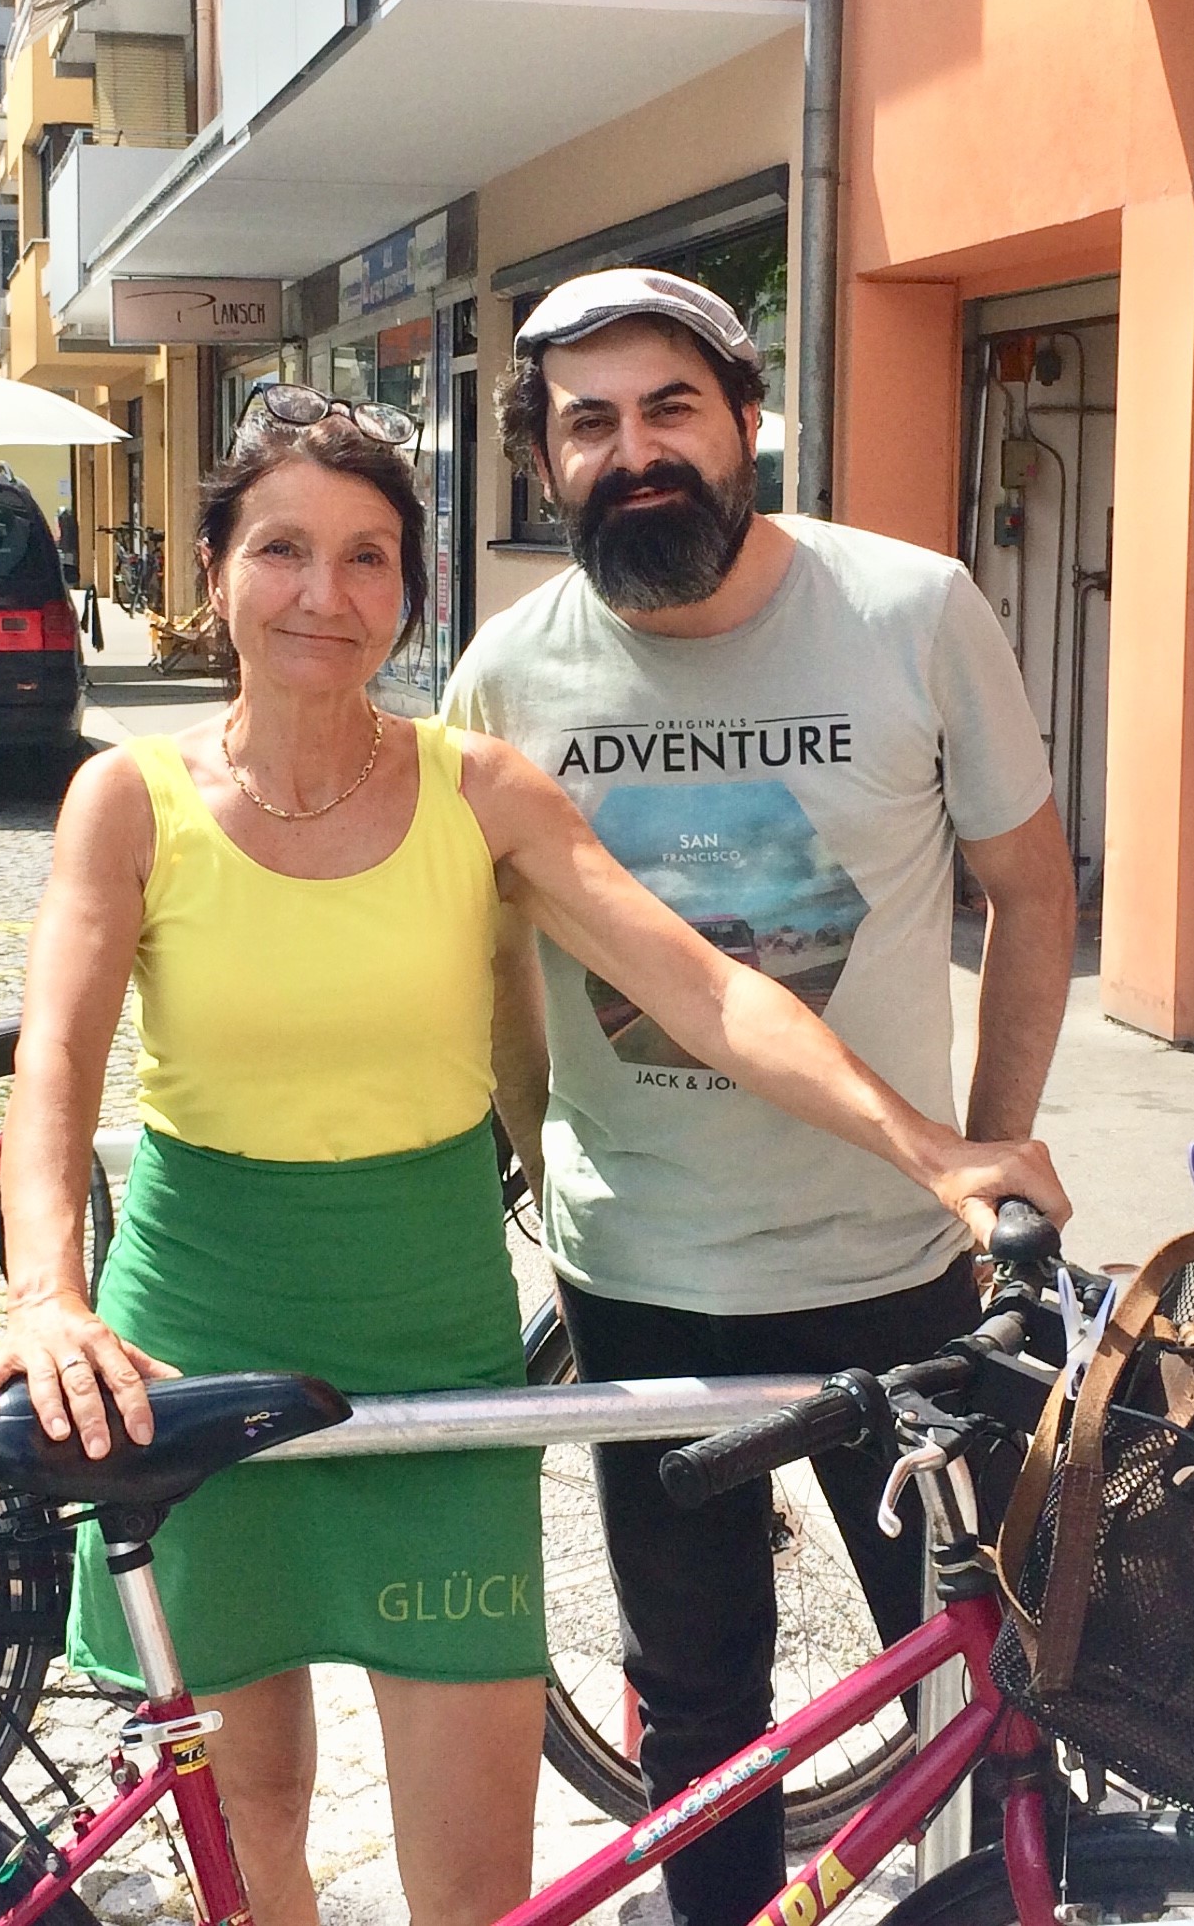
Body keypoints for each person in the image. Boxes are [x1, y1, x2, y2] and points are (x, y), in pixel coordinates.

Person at [0, 394, 1069, 1926]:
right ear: (213, 566)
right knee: (255, 1845)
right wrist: (45, 1294)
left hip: (434, 1362)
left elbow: (706, 987)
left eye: (367, 557)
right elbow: (58, 1062)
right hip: (192, 1338)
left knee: (478, 1882)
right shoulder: (129, 800)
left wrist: (934, 1145)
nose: (323, 593)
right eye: (281, 548)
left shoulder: (477, 787)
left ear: (410, 592)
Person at [441, 268, 1078, 1926]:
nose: (633, 450)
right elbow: (488, 956)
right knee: (703, 1718)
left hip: (900, 1269)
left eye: (670, 408)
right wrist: (534, 1155)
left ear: (745, 422)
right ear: (543, 461)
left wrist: (987, 1159)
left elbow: (1031, 886)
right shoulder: (505, 675)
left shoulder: (913, 608)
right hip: (639, 1280)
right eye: (590, 423)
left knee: (994, 1682)